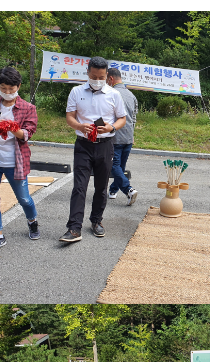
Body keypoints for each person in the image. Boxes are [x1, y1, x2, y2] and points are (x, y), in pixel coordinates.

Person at [60, 56, 127, 243]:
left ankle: (97, 221)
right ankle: (74, 228)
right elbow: (70, 117)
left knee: (101, 187)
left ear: (107, 76)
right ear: (88, 72)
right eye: (94, 76)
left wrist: (111, 127)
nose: (98, 80)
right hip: (83, 145)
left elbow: (122, 118)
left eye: (102, 77)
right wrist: (79, 126)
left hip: (105, 145)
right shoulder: (76, 91)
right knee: (79, 187)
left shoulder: (114, 94)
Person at [0, 66, 39, 254]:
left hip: (15, 161)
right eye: (4, 88)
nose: (8, 92)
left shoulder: (28, 108)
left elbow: (28, 133)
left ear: (18, 86)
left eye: (11, 88)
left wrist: (12, 128)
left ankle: (32, 221)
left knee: (24, 198)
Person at [106, 67, 139, 206]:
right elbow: (134, 118)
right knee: (120, 166)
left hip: (115, 137)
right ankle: (113, 190)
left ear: (111, 79)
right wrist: (131, 134)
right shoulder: (131, 95)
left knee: (114, 166)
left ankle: (128, 189)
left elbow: (106, 115)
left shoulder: (111, 93)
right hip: (128, 138)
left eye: (106, 79)